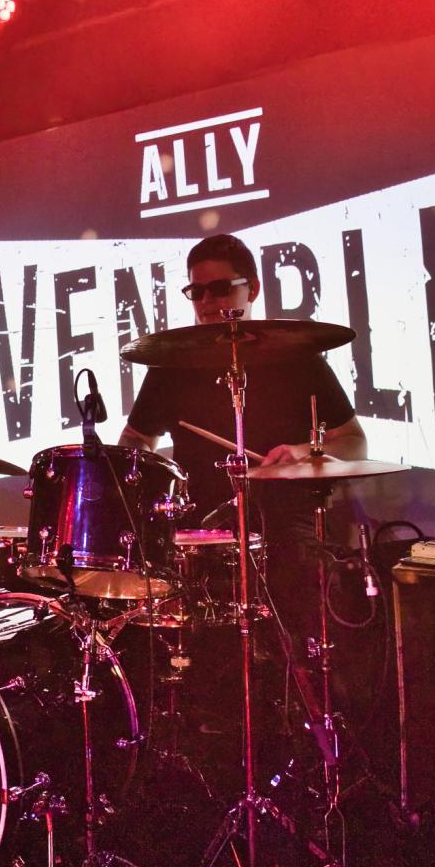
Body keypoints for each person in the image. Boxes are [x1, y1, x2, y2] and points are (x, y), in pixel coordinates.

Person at [118, 233, 367, 636]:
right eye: (197, 292)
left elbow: (354, 441)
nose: (207, 301)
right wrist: (138, 474)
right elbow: (135, 439)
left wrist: (304, 452)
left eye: (220, 288)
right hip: (197, 527)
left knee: (302, 576)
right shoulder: (171, 366)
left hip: (284, 525)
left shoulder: (297, 357)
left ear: (251, 289)